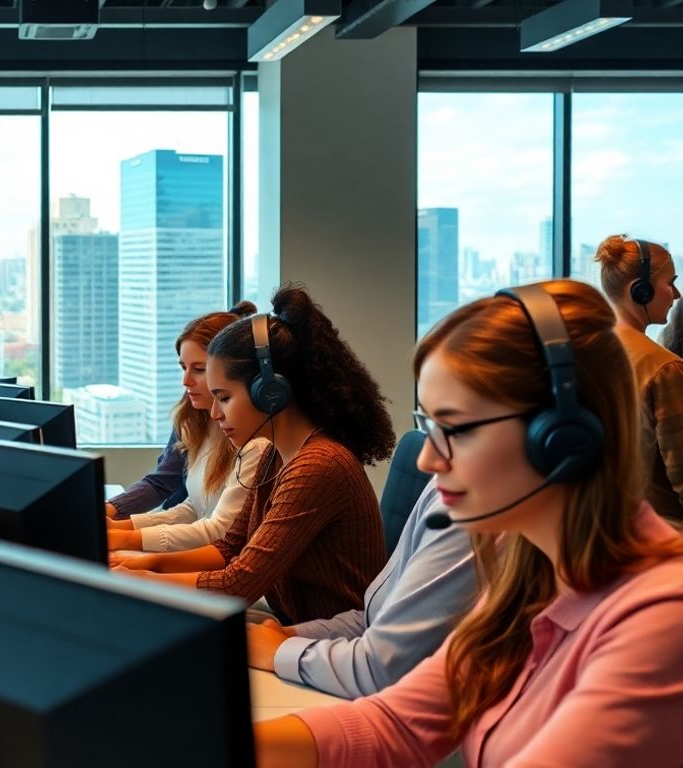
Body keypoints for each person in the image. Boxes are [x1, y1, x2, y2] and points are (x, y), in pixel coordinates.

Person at [255, 280, 683, 767]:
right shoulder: (525, 582)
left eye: (454, 429)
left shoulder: (660, 619)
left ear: (561, 439)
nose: (428, 460)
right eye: (427, 426)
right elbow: (395, 725)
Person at [113, 286, 393, 624]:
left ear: (270, 393)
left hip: (329, 642)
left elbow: (238, 583)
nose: (215, 413)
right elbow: (229, 548)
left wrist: (144, 582)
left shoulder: (317, 466)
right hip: (291, 624)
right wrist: (143, 563)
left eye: (224, 398)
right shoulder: (275, 456)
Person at [245, 479, 476, 698]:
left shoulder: (468, 506)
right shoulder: (445, 486)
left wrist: (281, 649)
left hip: (370, 681)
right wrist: (290, 635)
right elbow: (371, 620)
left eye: (458, 435)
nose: (425, 459)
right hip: (349, 662)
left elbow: (384, 666)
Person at [106, 306, 266, 552]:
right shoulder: (197, 422)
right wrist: (120, 526)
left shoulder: (255, 441)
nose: (186, 381)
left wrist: (127, 538)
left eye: (199, 369)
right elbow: (194, 506)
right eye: (183, 367)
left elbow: (219, 530)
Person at [595, 234, 683, 523]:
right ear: (640, 291)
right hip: (664, 535)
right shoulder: (664, 369)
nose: (677, 294)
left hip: (612, 526)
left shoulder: (587, 352)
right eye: (670, 283)